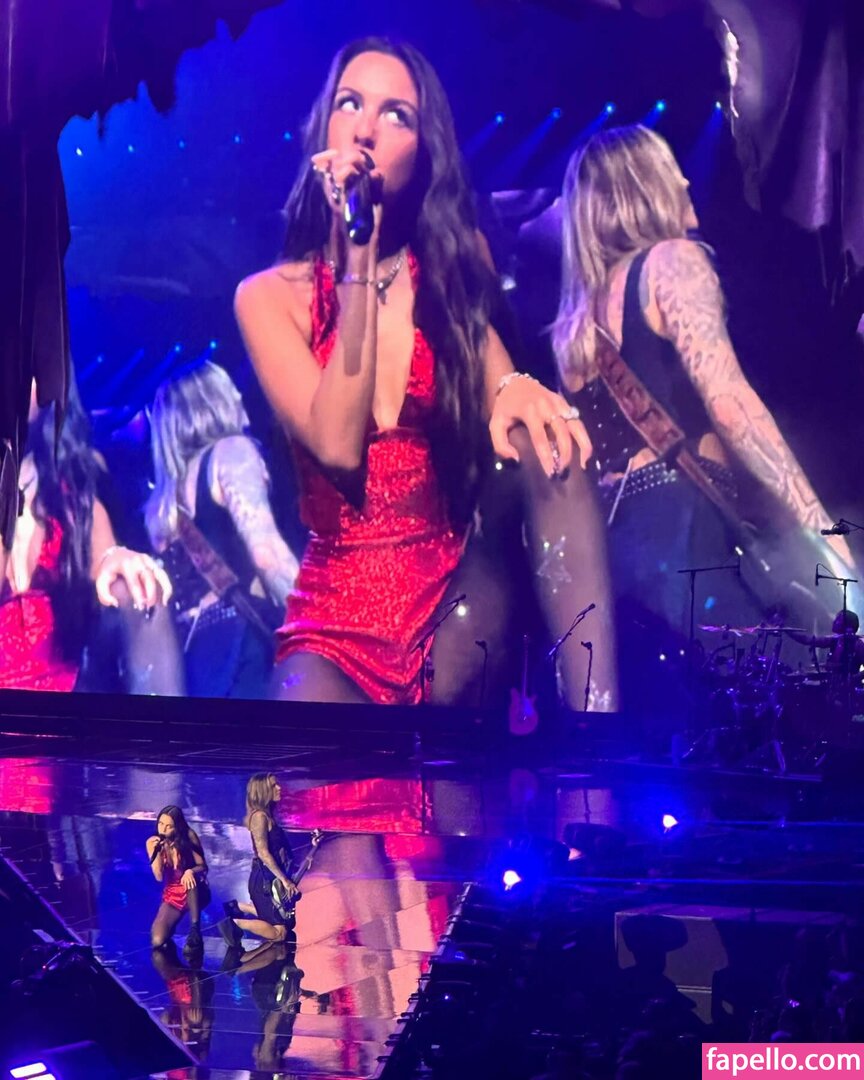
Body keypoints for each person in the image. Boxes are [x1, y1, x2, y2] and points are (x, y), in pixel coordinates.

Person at [234, 36, 616, 708]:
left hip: (453, 587)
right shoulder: (268, 297)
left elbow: (500, 380)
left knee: (545, 441)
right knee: (307, 735)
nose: (366, 128)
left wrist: (518, 389)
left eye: (396, 115)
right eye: (350, 104)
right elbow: (337, 445)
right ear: (323, 131)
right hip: (334, 616)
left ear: (422, 153)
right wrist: (357, 254)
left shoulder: (451, 263)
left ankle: (600, 739)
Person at [552, 123, 855, 719]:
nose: (688, 181)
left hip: (620, 558)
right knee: (800, 694)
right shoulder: (672, 263)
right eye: (673, 170)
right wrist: (822, 532)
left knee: (682, 735)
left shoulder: (574, 326)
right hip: (690, 534)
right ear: (643, 187)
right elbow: (730, 401)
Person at [1, 375, 176, 692]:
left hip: (70, 690)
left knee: (136, 587)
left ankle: (164, 724)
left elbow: (102, 558)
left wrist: (116, 559)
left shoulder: (73, 484)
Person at [145, 361, 300, 697]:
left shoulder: (163, 502)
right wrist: (320, 624)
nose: (240, 395)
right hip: (245, 646)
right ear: (212, 403)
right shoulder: (231, 452)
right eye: (230, 388)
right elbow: (267, 554)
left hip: (193, 660)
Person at [219, 772, 297, 952]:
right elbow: (263, 853)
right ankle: (234, 924)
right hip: (263, 879)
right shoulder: (259, 817)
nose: (279, 788)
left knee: (285, 920)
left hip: (271, 876)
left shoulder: (269, 815)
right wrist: (285, 880)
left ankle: (238, 907)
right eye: (274, 786)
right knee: (280, 933)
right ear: (263, 791)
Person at [146, 805, 210, 955]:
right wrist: (157, 854)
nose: (163, 829)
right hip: (173, 894)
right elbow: (159, 877)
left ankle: (195, 930)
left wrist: (190, 871)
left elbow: (203, 866)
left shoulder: (189, 836)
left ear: (177, 827)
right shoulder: (152, 842)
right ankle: (170, 927)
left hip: (194, 889)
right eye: (161, 824)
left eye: (169, 826)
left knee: (189, 879)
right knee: (157, 940)